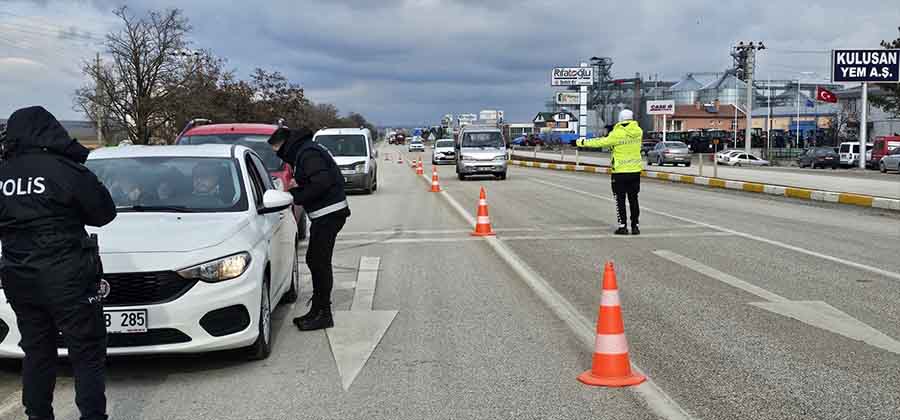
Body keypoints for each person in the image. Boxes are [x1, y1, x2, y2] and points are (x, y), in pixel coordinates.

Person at [0, 106, 117, 420]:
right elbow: (104, 214)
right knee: (86, 352)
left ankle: (38, 416)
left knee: (37, 352)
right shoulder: (65, 170)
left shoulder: (3, 174)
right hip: (69, 277)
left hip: (19, 277)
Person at [268, 127, 350, 331]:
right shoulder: (305, 151)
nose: (277, 154)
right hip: (325, 215)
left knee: (319, 262)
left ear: (285, 144)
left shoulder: (308, 153)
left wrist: (295, 195)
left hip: (330, 214)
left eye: (277, 149)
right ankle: (318, 309)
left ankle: (324, 313)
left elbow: (322, 182)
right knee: (315, 260)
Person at [574, 109, 644, 235]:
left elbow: (600, 142)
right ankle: (635, 226)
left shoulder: (616, 133)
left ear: (620, 119)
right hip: (635, 171)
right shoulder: (638, 132)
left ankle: (623, 226)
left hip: (620, 172)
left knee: (620, 200)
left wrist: (581, 142)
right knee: (634, 199)